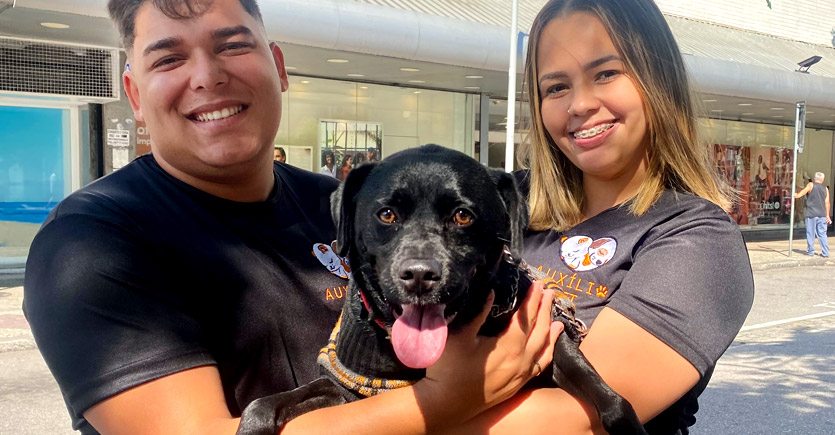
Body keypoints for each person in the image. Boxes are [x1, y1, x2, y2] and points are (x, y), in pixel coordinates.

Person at [22, 1, 561, 434]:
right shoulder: (92, 243)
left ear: (278, 67)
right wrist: (448, 398)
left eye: (232, 46)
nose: (207, 77)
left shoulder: (347, 203)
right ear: (135, 94)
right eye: (168, 59)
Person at [449, 0, 755, 433]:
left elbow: (577, 420)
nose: (580, 104)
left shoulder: (698, 239)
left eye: (606, 73)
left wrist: (398, 414)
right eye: (555, 87)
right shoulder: (504, 201)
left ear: (658, 79)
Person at [794, 172, 831, 257]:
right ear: (822, 179)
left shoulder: (811, 185)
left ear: (815, 178)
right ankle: (825, 252)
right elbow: (827, 203)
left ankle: (811, 251)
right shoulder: (825, 189)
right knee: (822, 233)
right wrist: (827, 215)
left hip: (811, 214)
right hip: (822, 214)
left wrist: (797, 195)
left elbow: (803, 192)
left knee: (810, 233)